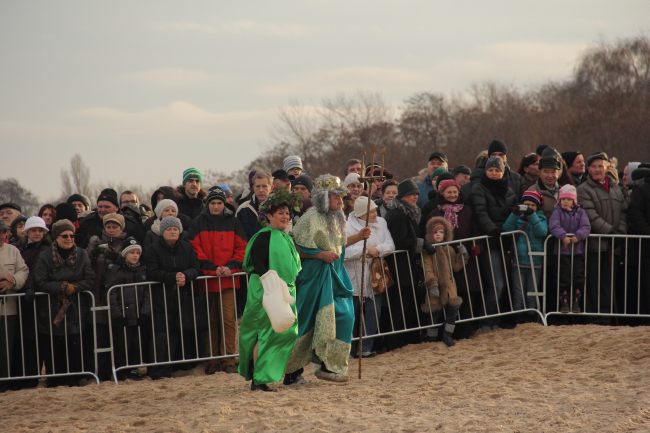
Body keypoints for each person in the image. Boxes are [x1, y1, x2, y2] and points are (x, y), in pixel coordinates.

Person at [284, 175, 361, 384]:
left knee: (344, 316)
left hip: (335, 276)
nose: (341, 202)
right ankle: (292, 372)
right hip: (313, 277)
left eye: (342, 198)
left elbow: (339, 244)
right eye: (337, 197)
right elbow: (296, 247)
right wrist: (319, 255)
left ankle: (330, 365)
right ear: (325, 198)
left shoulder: (336, 218)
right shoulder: (309, 218)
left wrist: (360, 236)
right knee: (308, 322)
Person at [238, 189, 303, 391]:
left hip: (284, 291)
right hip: (267, 291)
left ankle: (264, 374)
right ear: (269, 216)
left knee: (282, 333)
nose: (285, 216)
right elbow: (257, 263)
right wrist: (271, 284)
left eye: (287, 213)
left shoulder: (286, 237)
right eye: (280, 213)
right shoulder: (263, 237)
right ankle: (259, 378)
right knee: (265, 333)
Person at [188, 186, 247, 375]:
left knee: (229, 319)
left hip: (228, 278)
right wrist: (213, 269)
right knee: (211, 320)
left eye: (219, 203)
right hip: (208, 278)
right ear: (208, 204)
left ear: (224, 204)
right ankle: (213, 358)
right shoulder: (198, 223)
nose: (215, 206)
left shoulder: (234, 222)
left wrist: (230, 266)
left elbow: (242, 247)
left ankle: (229, 358)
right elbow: (195, 248)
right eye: (212, 203)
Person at [33, 219, 95, 387]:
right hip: (52, 307)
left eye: (72, 235)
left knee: (75, 344)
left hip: (76, 307)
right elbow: (40, 281)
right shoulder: (45, 256)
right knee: (55, 345)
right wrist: (61, 287)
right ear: (56, 237)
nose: (69, 238)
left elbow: (90, 279)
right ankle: (55, 379)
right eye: (65, 235)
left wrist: (75, 287)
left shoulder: (82, 254)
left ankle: (76, 377)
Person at [143, 216, 200, 379]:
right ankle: (158, 370)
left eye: (175, 229)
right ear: (162, 232)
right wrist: (173, 277)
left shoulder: (187, 247)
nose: (173, 231)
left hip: (182, 297)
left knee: (177, 332)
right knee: (161, 335)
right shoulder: (154, 249)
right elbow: (152, 272)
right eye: (169, 229)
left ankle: (173, 367)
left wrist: (186, 276)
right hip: (161, 298)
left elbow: (196, 268)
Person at [344, 196, 395, 358]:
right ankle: (348, 349)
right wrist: (365, 251)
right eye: (370, 211)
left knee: (373, 313)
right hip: (353, 276)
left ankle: (366, 347)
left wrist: (377, 249)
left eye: (374, 209)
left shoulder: (381, 223)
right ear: (360, 214)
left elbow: (390, 245)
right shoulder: (346, 226)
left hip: (375, 276)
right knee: (351, 316)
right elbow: (344, 252)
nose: (375, 213)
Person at [577, 152, 627, 314]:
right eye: (594, 166)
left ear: (607, 168)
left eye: (601, 166)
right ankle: (597, 318)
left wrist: (619, 233)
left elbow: (624, 212)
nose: (598, 169)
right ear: (589, 169)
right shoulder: (583, 190)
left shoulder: (616, 188)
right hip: (595, 246)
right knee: (595, 284)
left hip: (615, 246)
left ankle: (609, 317)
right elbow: (590, 215)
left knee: (610, 284)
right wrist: (609, 232)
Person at [470, 156, 516, 323]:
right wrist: (493, 230)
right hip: (489, 241)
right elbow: (480, 212)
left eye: (497, 170)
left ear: (503, 172)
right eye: (491, 170)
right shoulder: (479, 188)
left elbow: (512, 214)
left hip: (505, 240)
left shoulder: (509, 191)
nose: (494, 173)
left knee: (507, 285)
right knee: (497, 284)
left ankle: (496, 320)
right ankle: (485, 320)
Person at [384, 179, 425, 348]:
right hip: (400, 266)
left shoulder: (408, 211)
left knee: (407, 301)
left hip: (407, 264)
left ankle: (408, 335)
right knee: (400, 302)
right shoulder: (398, 214)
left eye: (416, 194)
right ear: (403, 196)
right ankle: (396, 339)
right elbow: (400, 241)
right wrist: (421, 243)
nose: (414, 197)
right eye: (411, 194)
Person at [105, 237, 150, 380]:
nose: (135, 255)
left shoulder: (143, 270)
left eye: (137, 252)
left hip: (137, 314)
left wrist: (145, 312)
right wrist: (117, 314)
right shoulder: (117, 271)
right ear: (125, 254)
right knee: (121, 344)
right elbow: (112, 293)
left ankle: (134, 369)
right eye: (132, 253)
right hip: (123, 315)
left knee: (136, 344)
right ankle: (121, 370)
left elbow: (147, 293)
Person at [420, 217, 468, 346]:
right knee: (434, 313)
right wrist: (432, 282)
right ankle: (431, 337)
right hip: (434, 286)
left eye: (441, 232)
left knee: (452, 313)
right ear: (431, 234)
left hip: (449, 287)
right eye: (435, 232)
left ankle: (448, 335)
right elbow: (427, 268)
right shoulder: (428, 252)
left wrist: (463, 255)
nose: (438, 235)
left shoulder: (449, 249)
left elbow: (456, 266)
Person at [502, 191, 548, 312]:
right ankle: (518, 316)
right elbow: (506, 229)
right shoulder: (517, 218)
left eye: (533, 205)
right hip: (518, 260)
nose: (529, 207)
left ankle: (531, 315)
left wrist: (532, 215)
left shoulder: (542, 218)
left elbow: (542, 232)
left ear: (537, 207)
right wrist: (514, 214)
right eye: (526, 204)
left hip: (535, 261)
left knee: (532, 292)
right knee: (518, 292)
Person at [548, 185, 591, 313]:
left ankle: (576, 302)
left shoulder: (581, 212)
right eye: (563, 199)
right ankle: (564, 302)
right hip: (562, 252)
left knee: (578, 277)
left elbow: (586, 226)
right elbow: (553, 225)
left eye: (569, 199)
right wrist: (563, 236)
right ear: (559, 200)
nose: (566, 201)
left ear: (574, 200)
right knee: (563, 278)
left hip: (577, 251)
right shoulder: (557, 212)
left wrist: (578, 236)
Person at [0, 220, 29, 387]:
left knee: (5, 348)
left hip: (8, 307)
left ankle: (4, 382)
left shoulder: (13, 251)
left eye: (3, 232)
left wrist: (13, 282)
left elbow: (23, 270)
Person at [236, 170, 272, 239]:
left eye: (264, 186)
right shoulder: (243, 209)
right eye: (258, 186)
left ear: (271, 188)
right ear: (253, 188)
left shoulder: (279, 208)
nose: (261, 190)